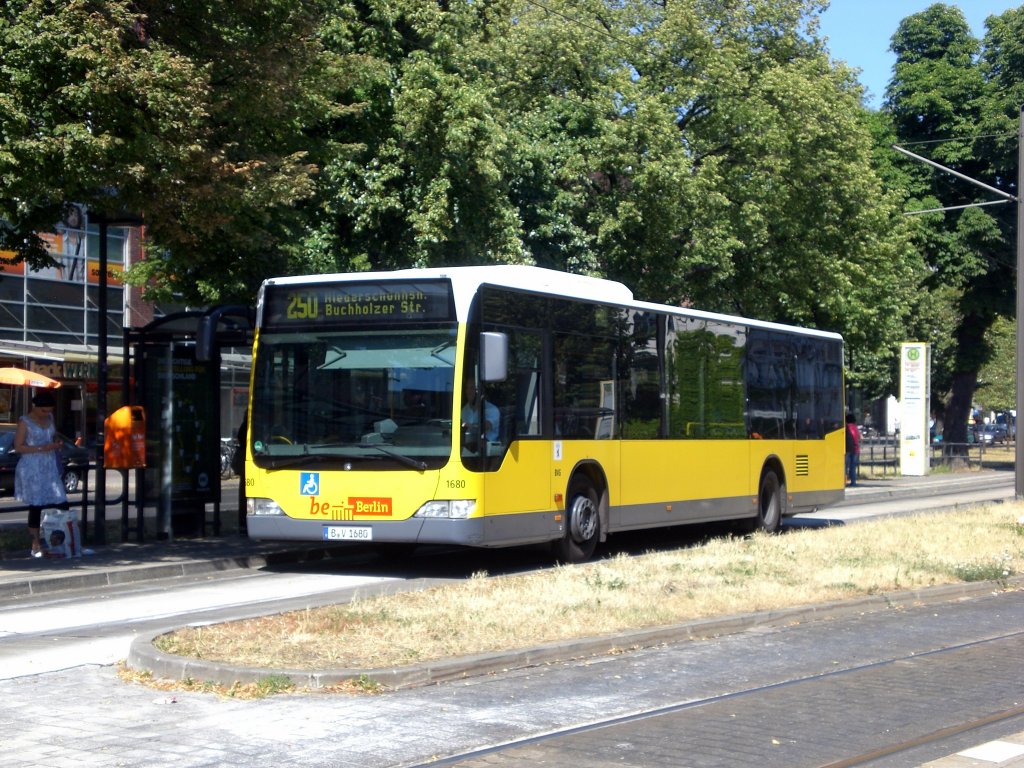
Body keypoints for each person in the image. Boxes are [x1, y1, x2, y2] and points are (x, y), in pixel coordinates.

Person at [14, 390, 69, 557]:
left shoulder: (50, 419)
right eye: (44, 410)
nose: (47, 414)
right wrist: (41, 448)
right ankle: (36, 543)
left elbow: (52, 435)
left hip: (49, 464)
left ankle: (65, 540)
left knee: (61, 501)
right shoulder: (25, 422)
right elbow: (18, 447)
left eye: (50, 410)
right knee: (36, 505)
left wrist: (55, 443)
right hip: (32, 465)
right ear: (35, 407)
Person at [461, 375, 499, 445]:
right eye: (467, 388)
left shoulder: (492, 410)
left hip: (488, 451)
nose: (468, 392)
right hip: (469, 447)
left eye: (472, 388)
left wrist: (469, 425)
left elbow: (485, 426)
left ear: (480, 392)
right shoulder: (464, 411)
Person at [845, 412, 861, 487]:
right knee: (853, 467)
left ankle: (843, 481)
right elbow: (859, 437)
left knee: (845, 466)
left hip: (848, 448)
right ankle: (853, 482)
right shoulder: (855, 427)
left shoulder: (846, 427)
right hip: (856, 449)